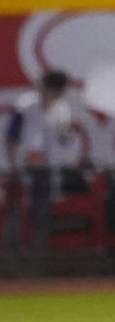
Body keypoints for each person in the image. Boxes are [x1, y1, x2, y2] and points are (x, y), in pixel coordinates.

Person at [2, 70, 74, 257]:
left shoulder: (62, 108)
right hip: (22, 163)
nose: (53, 95)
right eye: (51, 89)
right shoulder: (26, 104)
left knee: (42, 207)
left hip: (48, 165)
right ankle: (12, 249)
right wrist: (13, 162)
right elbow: (11, 135)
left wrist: (67, 130)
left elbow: (65, 138)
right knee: (18, 207)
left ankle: (39, 249)